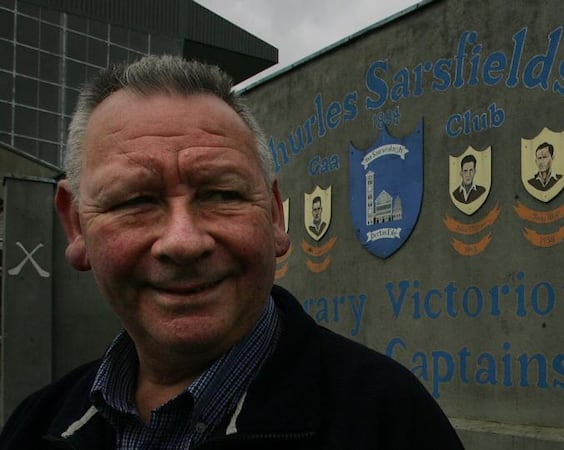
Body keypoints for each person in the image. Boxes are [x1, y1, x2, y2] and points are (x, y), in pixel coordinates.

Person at [0, 56, 464, 450]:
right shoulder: (35, 424)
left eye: (222, 194)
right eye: (136, 201)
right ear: (76, 224)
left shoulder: (389, 423)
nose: (184, 242)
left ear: (276, 216)